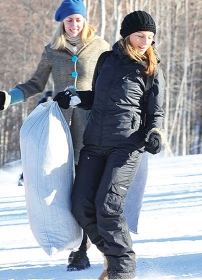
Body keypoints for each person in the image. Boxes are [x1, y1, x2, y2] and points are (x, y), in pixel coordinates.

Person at [53, 10, 165, 280]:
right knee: (81, 205)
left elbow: (156, 110)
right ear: (127, 35)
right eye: (140, 36)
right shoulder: (106, 60)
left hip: (126, 146)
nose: (145, 42)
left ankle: (122, 271)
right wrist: (77, 99)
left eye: (150, 37)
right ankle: (114, 258)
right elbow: (97, 97)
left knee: (108, 206)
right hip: (94, 143)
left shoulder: (150, 67)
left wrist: (155, 132)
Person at [0, 0, 110, 271]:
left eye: (78, 19)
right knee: (66, 189)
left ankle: (85, 247)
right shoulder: (52, 51)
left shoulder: (101, 48)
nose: (74, 25)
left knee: (88, 190)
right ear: (63, 23)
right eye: (69, 20)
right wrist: (7, 98)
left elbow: (111, 83)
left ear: (85, 21)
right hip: (61, 129)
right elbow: (34, 84)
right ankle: (74, 243)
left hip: (93, 125)